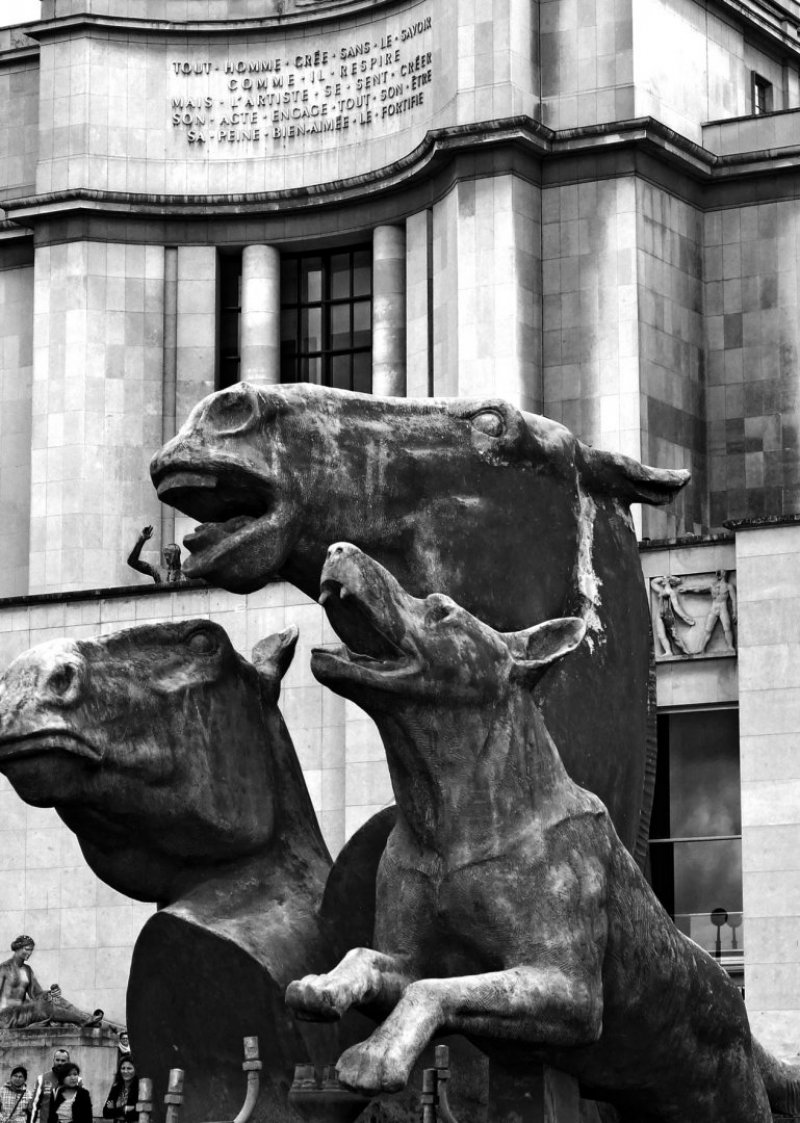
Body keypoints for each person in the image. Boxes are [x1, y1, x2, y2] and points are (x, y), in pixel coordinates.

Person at [30, 1051, 71, 1123]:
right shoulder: (42, 1079)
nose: (60, 1063)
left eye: (63, 1061)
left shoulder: (76, 1081)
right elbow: (33, 1106)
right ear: (53, 1060)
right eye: (57, 1060)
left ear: (68, 1062)